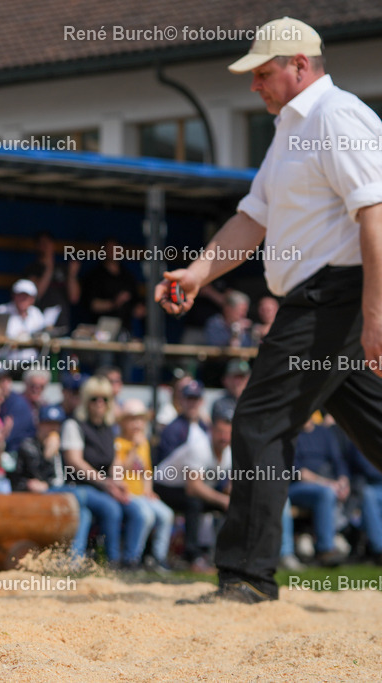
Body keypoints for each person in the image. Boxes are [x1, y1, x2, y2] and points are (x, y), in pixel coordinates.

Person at [159, 17, 382, 603]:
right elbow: (252, 218)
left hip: (335, 296)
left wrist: (376, 313)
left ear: (300, 65)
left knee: (258, 422)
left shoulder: (337, 116)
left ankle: (247, 577)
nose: (254, 84)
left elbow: (376, 213)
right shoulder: (291, 128)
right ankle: (249, 575)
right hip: (322, 298)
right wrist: (197, 272)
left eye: (263, 72)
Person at [61, 376, 146, 566]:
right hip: (79, 486)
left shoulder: (109, 428)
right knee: (111, 508)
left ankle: (131, 561)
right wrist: (106, 483)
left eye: (105, 399)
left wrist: (118, 483)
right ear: (85, 400)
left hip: (104, 487)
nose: (100, 403)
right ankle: (112, 561)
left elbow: (114, 461)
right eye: (94, 398)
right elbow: (74, 462)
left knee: (137, 511)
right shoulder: (73, 425)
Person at [113, 399, 173, 571]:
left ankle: (158, 557)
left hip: (141, 495)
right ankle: (132, 558)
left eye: (140, 420)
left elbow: (147, 472)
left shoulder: (144, 443)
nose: (137, 424)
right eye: (132, 420)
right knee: (146, 515)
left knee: (166, 514)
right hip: (126, 494)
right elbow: (118, 471)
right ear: (123, 422)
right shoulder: (118, 443)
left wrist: (149, 490)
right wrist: (133, 448)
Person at [288, 417, 349, 565]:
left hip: (328, 485)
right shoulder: (291, 434)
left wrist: (343, 480)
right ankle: (326, 549)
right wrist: (328, 483)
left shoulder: (323, 433)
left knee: (337, 492)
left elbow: (338, 460)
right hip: (296, 487)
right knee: (326, 493)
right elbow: (299, 472)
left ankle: (337, 536)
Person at [20, 231, 80, 332]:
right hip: (38, 323)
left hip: (61, 323)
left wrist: (72, 275)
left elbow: (74, 298)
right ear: (37, 246)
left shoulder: (63, 269)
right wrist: (48, 269)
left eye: (48, 243)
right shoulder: (32, 269)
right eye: (42, 244)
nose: (46, 247)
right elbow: (36, 294)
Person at [11, 404, 65, 493]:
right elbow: (38, 478)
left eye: (56, 424)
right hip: (31, 493)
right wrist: (47, 457)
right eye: (48, 424)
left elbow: (61, 478)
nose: (53, 429)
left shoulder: (61, 445)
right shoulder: (28, 446)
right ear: (39, 424)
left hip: (57, 489)